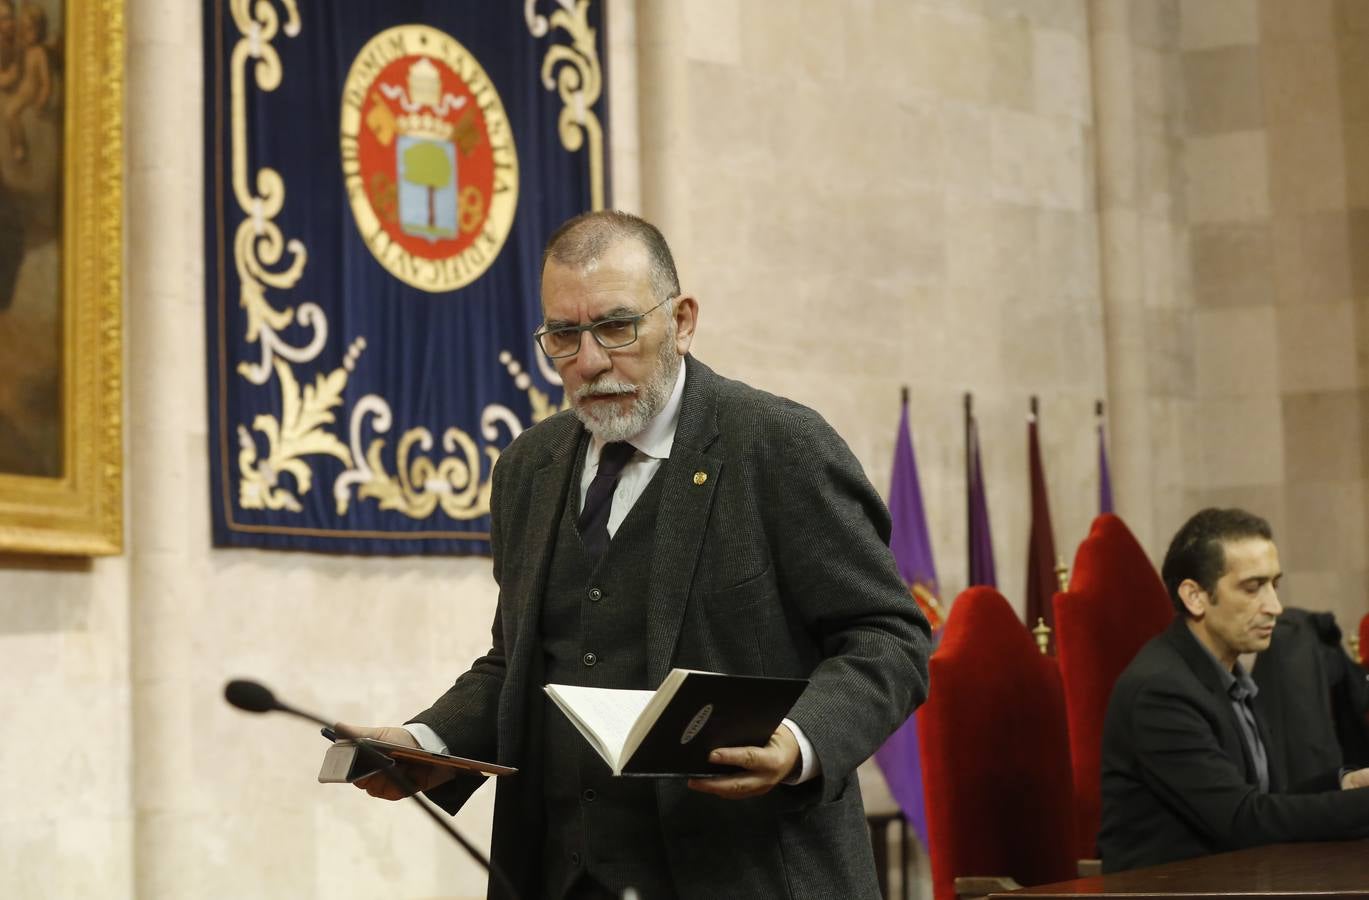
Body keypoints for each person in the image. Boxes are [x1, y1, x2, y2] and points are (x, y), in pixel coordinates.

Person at [345, 210, 931, 899]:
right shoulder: (526, 470)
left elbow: (887, 636)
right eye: (563, 336)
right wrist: (429, 743)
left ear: (680, 321)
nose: (589, 361)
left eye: (616, 327)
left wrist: (798, 740)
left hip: (745, 873)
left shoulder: (778, 446)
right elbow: (519, 663)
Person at [1098, 507, 1369, 872]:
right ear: (1195, 597)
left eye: (1274, 584)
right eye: (1252, 587)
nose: (1274, 606)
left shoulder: (1226, 674)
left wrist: (1346, 783)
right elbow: (1244, 821)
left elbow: (1261, 802)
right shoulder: (1159, 691)